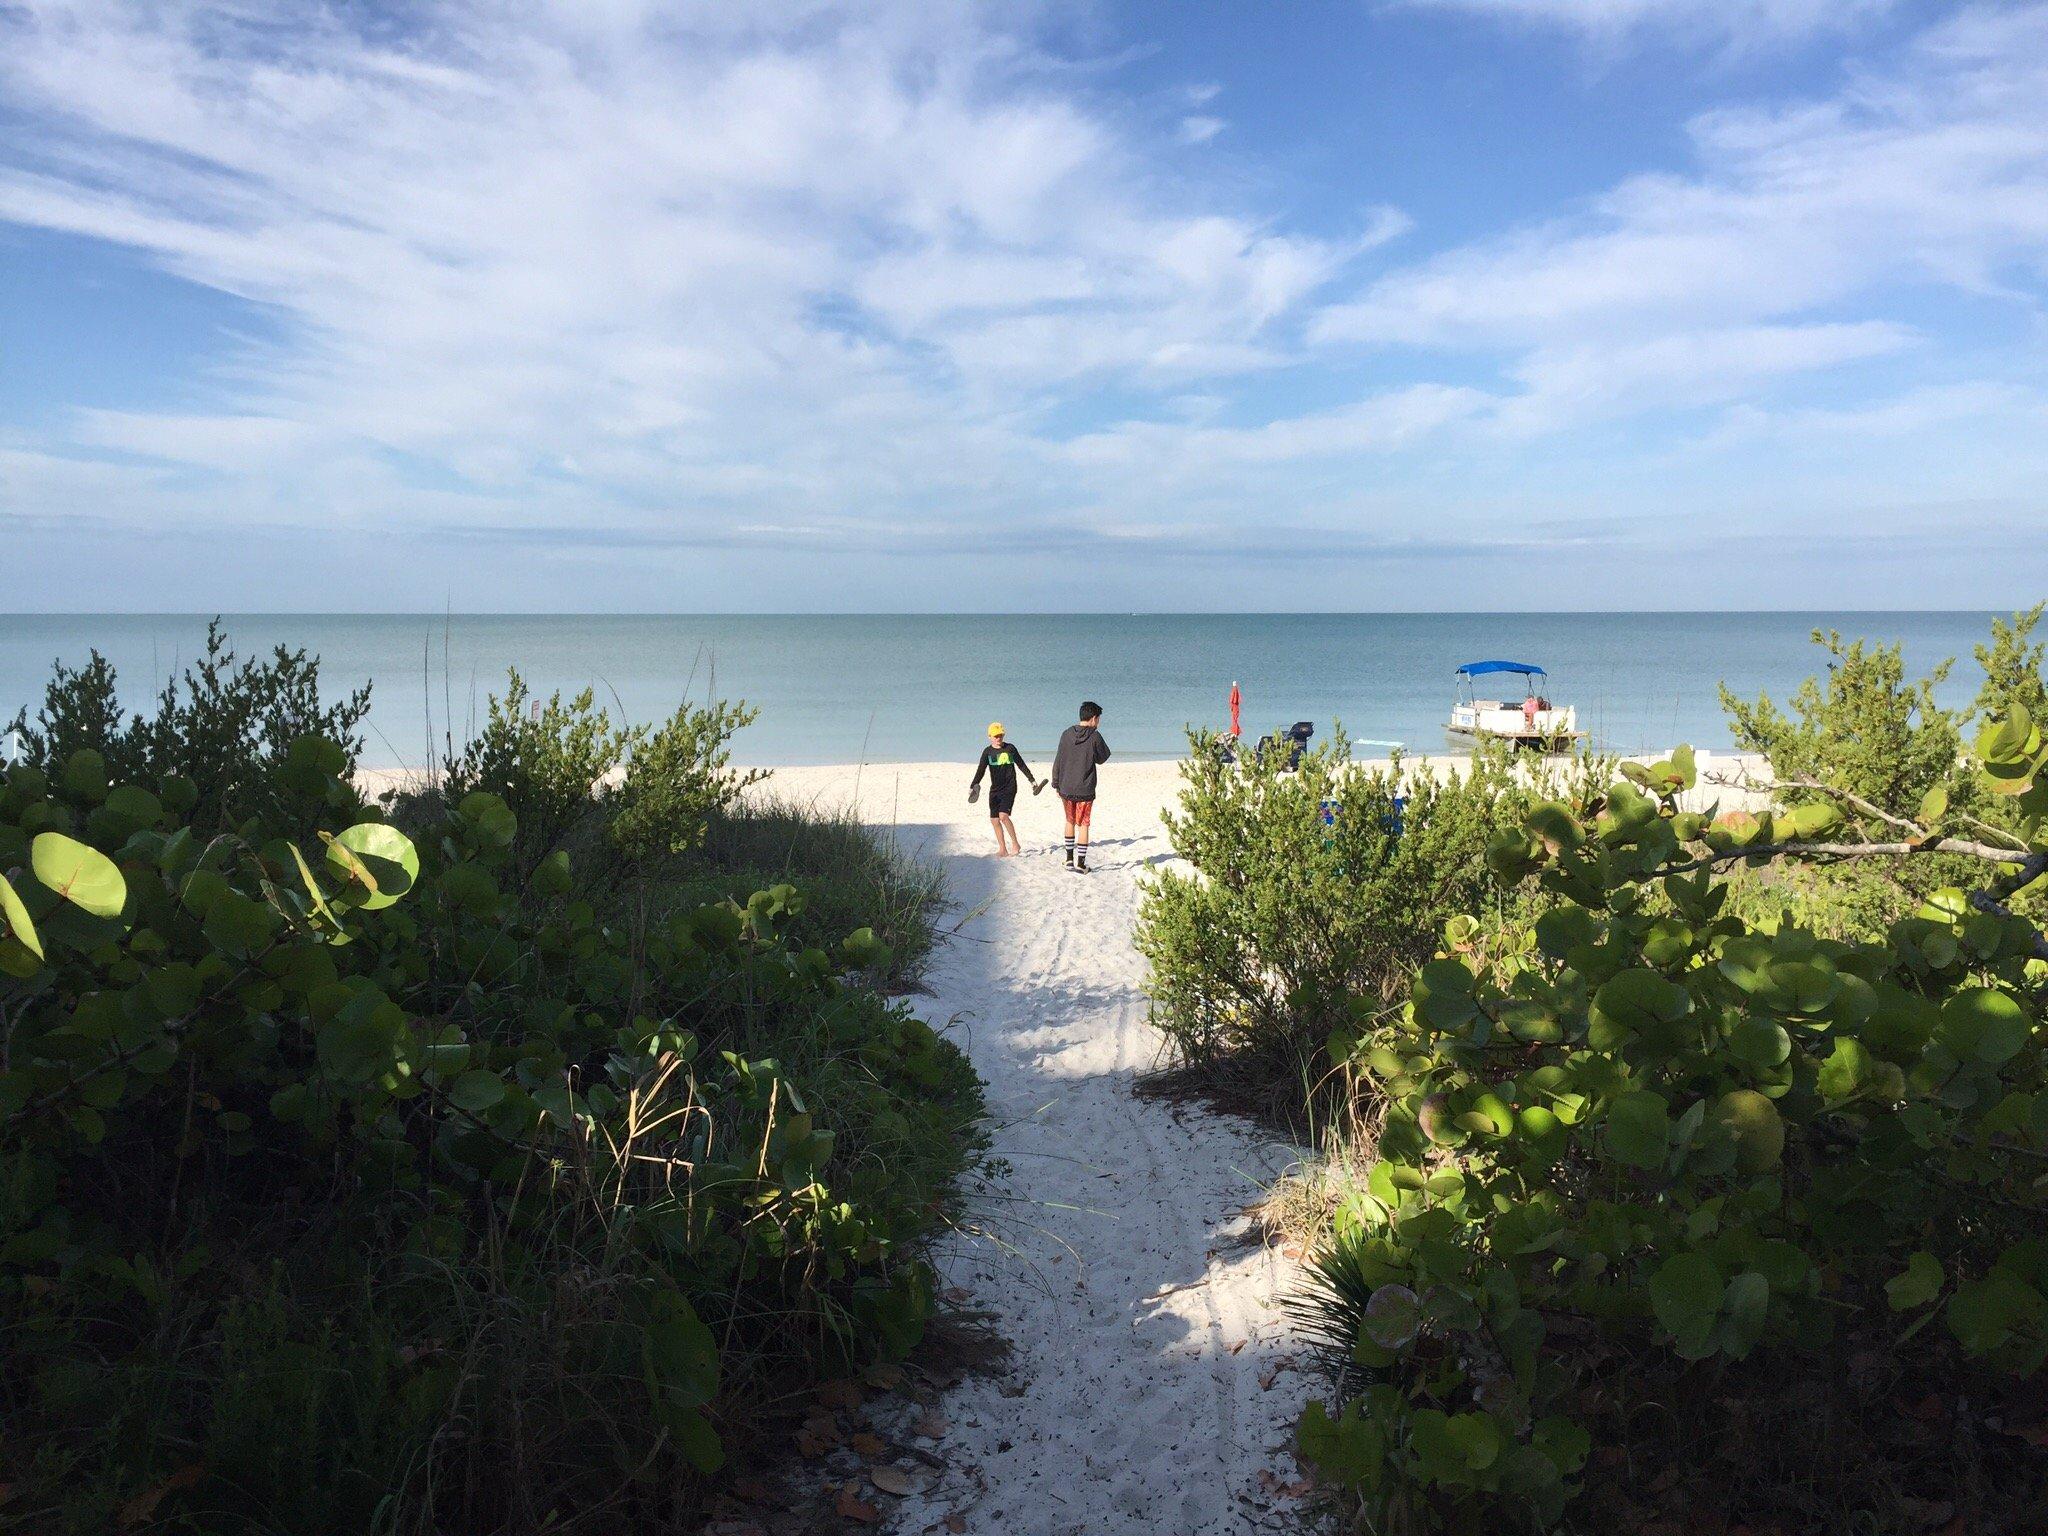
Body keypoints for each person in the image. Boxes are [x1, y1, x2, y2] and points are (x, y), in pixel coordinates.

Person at [1051, 700, 1111, 873]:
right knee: (1083, 824)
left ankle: (1069, 860)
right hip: (1085, 789)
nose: (1098, 723)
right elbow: (1102, 758)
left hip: (1066, 787)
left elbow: (1058, 760)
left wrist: (1056, 783)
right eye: (1098, 719)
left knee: (1069, 821)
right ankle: (1081, 863)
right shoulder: (1094, 736)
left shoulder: (1066, 734)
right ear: (1093, 718)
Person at [968, 722, 1044, 857]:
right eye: (996, 736)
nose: (999, 738)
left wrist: (1032, 780)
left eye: (1001, 735)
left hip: (1009, 787)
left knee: (1003, 816)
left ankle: (1015, 843)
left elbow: (1021, 765)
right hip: (995, 789)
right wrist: (973, 785)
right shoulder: (987, 752)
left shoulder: (1010, 748)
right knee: (994, 820)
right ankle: (1003, 849)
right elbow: (981, 770)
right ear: (990, 736)